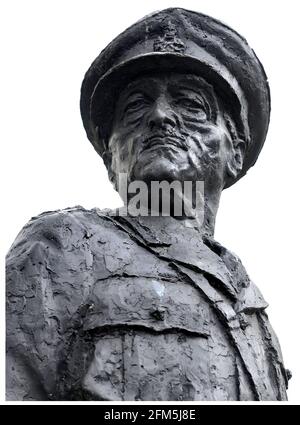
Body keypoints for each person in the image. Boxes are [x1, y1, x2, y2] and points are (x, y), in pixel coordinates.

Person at [6, 8, 289, 401]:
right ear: (110, 157)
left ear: (235, 152)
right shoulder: (65, 244)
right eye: (136, 106)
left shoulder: (252, 305)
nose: (159, 116)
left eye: (191, 104)